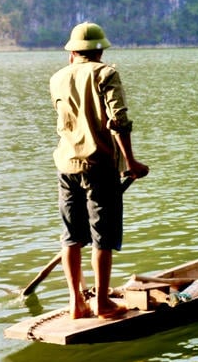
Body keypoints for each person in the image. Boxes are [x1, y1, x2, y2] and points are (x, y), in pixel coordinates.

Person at [49, 22, 149, 319]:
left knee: (71, 236)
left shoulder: (57, 78)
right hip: (99, 165)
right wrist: (131, 163)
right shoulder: (106, 73)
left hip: (67, 165)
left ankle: (76, 303)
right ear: (100, 51)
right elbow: (117, 122)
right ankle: (103, 303)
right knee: (102, 237)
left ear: (72, 53)